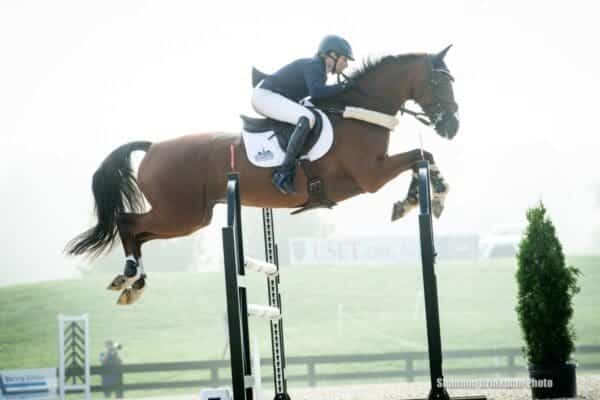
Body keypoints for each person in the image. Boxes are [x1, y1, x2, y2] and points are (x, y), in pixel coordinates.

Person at [252, 35, 354, 194]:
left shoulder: (319, 70)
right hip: (265, 96)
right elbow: (317, 92)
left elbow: (317, 97)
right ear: (332, 55)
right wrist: (343, 87)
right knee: (307, 118)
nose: (346, 65)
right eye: (345, 59)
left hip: (274, 96)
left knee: (311, 114)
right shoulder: (314, 65)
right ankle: (283, 173)